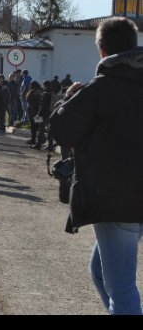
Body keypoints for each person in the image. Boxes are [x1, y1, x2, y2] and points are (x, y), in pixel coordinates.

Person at [50, 17, 143, 315]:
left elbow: (62, 130)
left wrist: (68, 99)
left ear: (102, 50)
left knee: (121, 287)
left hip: (117, 199)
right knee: (100, 271)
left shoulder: (100, 88)